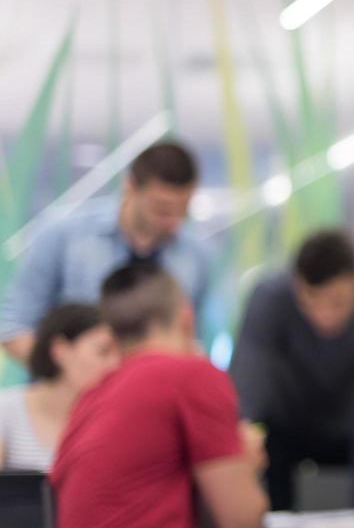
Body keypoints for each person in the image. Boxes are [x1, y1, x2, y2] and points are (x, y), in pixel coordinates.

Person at [50, 263, 266, 528]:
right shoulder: (192, 375)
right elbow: (242, 522)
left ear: (112, 336)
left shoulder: (92, 396)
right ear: (186, 319)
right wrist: (246, 464)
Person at [230, 229, 354, 510]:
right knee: (261, 431)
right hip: (288, 423)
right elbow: (248, 379)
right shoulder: (270, 298)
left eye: (337, 303)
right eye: (311, 304)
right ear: (294, 285)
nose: (324, 317)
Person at [0, 140, 210, 366]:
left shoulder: (196, 258)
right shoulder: (64, 237)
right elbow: (13, 324)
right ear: (130, 187)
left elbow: (192, 339)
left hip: (153, 394)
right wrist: (65, 371)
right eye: (161, 210)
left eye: (182, 212)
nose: (172, 222)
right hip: (72, 396)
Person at [0, 304, 119, 471]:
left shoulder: (116, 419)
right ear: (60, 350)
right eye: (103, 352)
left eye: (119, 354)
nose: (114, 365)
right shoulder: (5, 410)